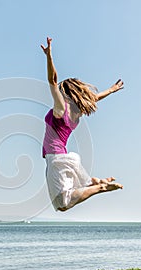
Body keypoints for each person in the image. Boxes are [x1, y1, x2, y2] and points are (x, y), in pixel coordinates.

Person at [41, 37, 123, 212]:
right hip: (60, 158)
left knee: (62, 204)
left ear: (65, 92)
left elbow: (52, 81)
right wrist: (112, 90)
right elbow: (94, 98)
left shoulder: (61, 108)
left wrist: (49, 56)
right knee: (69, 194)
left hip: (56, 159)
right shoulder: (76, 113)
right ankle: (96, 182)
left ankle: (99, 187)